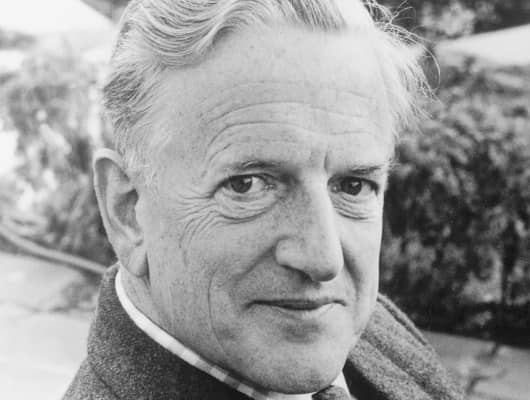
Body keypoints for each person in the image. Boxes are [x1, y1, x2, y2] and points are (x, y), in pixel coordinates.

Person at [64, 0, 463, 399]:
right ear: (126, 212)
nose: (324, 260)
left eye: (353, 186)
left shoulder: (365, 325)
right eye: (247, 185)